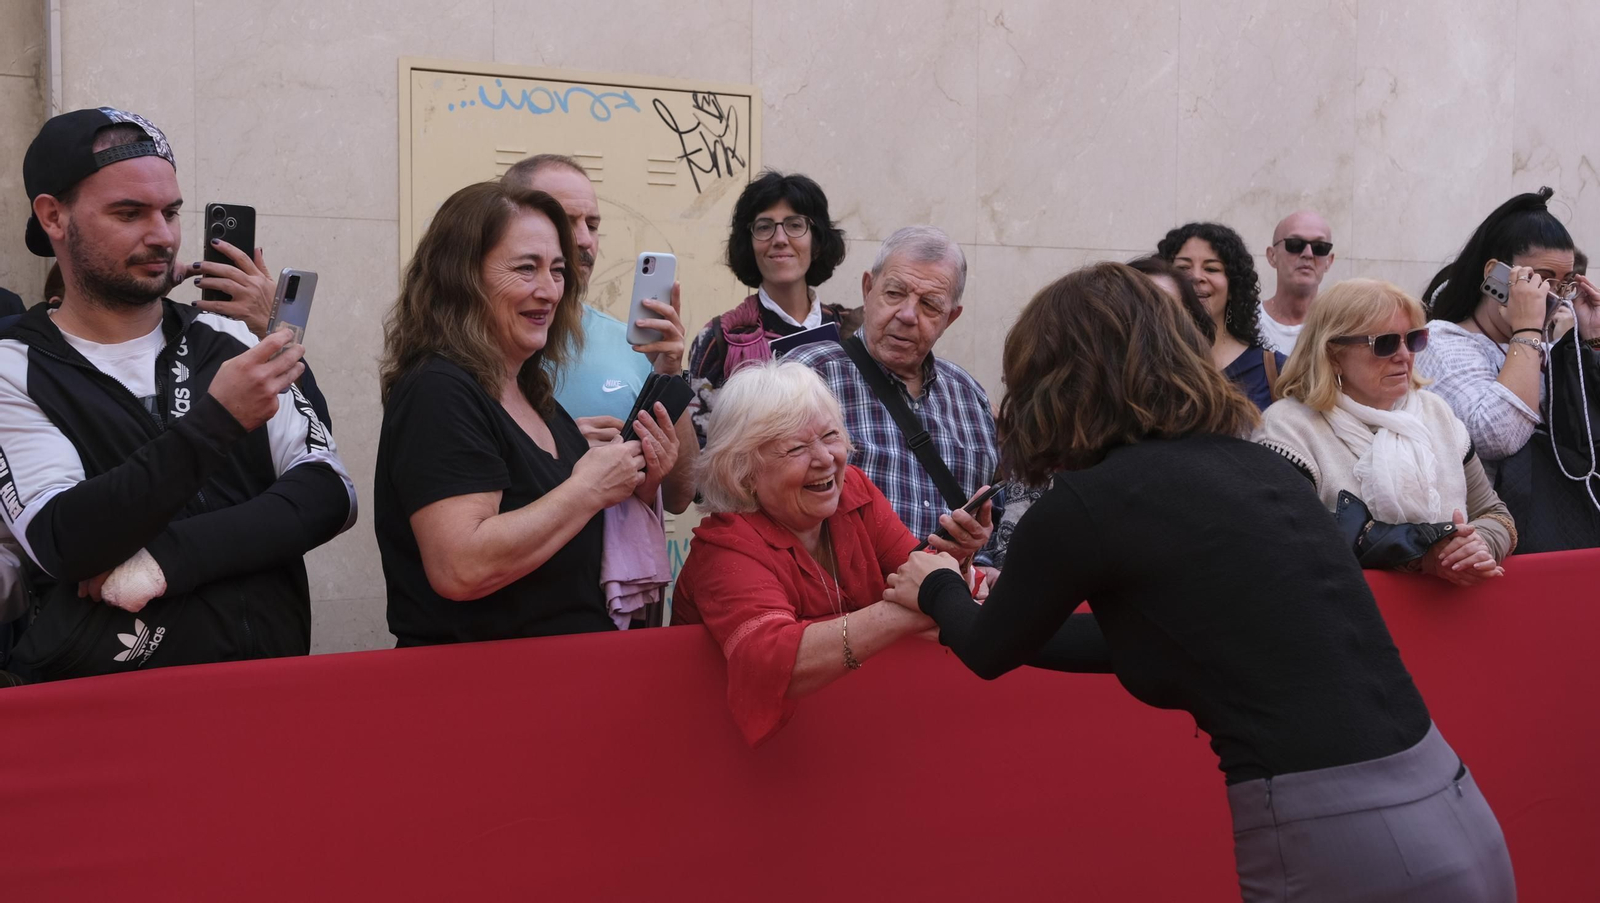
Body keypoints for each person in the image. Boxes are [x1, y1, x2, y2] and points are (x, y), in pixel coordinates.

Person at [883, 262, 1514, 902]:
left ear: (1053, 379)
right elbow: (1151, 638)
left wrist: (936, 584)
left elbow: (990, 649)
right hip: (1455, 803)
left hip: (1341, 837)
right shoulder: (1259, 467)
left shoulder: (1088, 504)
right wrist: (969, 603)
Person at [0, 108, 356, 683]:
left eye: (170, 212)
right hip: (107, 704)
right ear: (53, 216)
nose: (163, 236)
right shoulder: (15, 366)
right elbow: (63, 538)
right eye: (129, 213)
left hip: (266, 686)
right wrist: (218, 422)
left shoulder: (230, 336)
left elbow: (330, 493)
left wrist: (168, 559)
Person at [375, 180, 680, 646]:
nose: (550, 291)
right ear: (461, 276)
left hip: (567, 673)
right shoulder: (437, 390)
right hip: (485, 681)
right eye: (526, 268)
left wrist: (638, 477)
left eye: (557, 271)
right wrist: (589, 487)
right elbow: (461, 566)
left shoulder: (533, 393)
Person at [671, 361, 990, 745]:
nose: (825, 458)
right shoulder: (724, 548)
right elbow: (771, 662)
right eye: (796, 448)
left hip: (851, 735)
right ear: (744, 472)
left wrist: (957, 558)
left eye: (830, 435)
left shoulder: (853, 492)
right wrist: (915, 606)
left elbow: (917, 572)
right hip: (725, 749)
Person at [1256, 279, 1513, 584]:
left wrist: (1476, 545)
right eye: (1385, 343)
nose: (1404, 355)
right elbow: (1295, 537)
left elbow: (1494, 514)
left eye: (1414, 339)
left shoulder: (1436, 412)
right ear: (1334, 355)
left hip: (1449, 608)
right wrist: (1423, 555)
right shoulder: (1288, 428)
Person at [783, 226, 1001, 565]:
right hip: (837, 595)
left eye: (929, 305)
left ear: (951, 318)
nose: (907, 315)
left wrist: (977, 560)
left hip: (948, 592)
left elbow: (991, 535)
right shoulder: (805, 376)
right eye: (895, 293)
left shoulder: (970, 398)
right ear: (868, 289)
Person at [502, 153, 698, 514]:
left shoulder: (635, 345)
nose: (584, 240)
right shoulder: (486, 350)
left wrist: (669, 373)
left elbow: (679, 496)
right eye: (564, 221)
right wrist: (561, 452)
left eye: (592, 225)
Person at [1417, 187, 1600, 551]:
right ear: (1496, 275)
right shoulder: (1440, 342)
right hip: (1486, 544)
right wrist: (1527, 330)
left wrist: (1593, 338)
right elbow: (1496, 437)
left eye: (1564, 282)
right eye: (1541, 278)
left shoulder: (1547, 350)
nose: (1554, 295)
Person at [687, 171, 853, 447]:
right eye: (764, 227)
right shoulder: (720, 339)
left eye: (795, 225)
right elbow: (702, 447)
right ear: (749, 244)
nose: (780, 238)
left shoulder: (851, 330)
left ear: (817, 241)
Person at [1158, 221, 1286, 410]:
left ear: (1233, 287)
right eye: (1183, 268)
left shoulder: (1275, 370)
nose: (1196, 277)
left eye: (1211, 269)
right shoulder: (1148, 364)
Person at [1258, 210, 1336, 356]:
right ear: (1272, 256)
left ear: (1329, 261)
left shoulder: (1340, 328)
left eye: (1319, 247)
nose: (1308, 254)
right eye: (1295, 244)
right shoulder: (1245, 324)